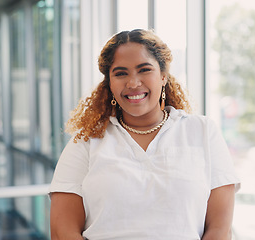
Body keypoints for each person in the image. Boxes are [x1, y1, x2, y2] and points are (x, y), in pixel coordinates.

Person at [49, 29, 240, 240]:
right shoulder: (86, 141)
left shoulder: (203, 132)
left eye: (144, 70)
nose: (133, 83)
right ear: (110, 84)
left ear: (163, 76)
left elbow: (220, 231)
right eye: (121, 73)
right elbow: (62, 231)